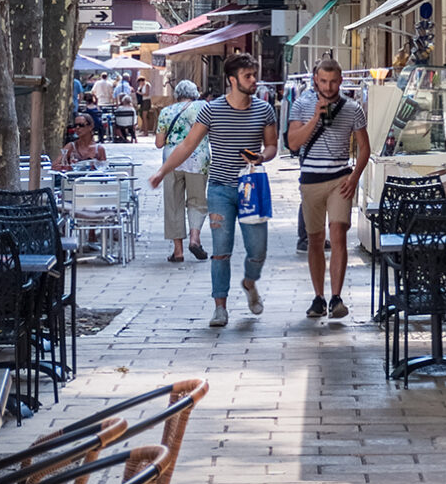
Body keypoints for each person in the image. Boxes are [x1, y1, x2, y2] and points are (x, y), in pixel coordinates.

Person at [150, 53, 277, 328]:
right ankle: (220, 307)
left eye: (254, 75)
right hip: (220, 189)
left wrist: (262, 156)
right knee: (221, 251)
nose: (254, 80)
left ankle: (249, 282)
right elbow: (186, 145)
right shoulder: (211, 110)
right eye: (248, 76)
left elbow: (272, 146)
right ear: (232, 80)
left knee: (258, 251)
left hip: (252, 188)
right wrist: (162, 171)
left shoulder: (264, 110)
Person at [287, 57, 370, 320]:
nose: (329, 86)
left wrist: (355, 177)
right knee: (314, 240)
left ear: (341, 81)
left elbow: (364, 147)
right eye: (323, 81)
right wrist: (315, 117)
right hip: (311, 179)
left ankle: (336, 297)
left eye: (333, 81)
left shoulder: (353, 108)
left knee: (338, 235)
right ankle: (318, 297)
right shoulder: (301, 105)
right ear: (315, 80)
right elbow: (293, 143)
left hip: (339, 179)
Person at [157, 80, 210, 263]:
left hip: (171, 161)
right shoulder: (203, 107)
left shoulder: (166, 112)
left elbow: (158, 143)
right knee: (197, 201)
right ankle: (195, 239)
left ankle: (178, 251)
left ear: (177, 94)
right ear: (195, 93)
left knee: (173, 204)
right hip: (198, 159)